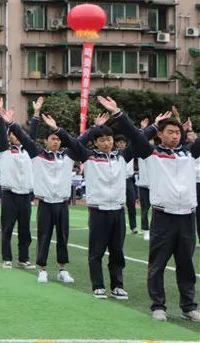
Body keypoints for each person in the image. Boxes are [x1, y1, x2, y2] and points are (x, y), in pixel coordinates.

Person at [97, 96, 200, 322]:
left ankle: (188, 306)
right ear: (159, 135)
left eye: (177, 132)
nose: (175, 135)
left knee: (186, 265)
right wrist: (117, 113)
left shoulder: (190, 153)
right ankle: (158, 306)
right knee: (158, 264)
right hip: (164, 217)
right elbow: (134, 134)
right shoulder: (151, 153)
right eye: (170, 132)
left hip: (186, 218)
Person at [46, 109, 158, 300]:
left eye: (109, 139)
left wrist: (155, 126)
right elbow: (73, 142)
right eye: (102, 140)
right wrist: (58, 129)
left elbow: (139, 138)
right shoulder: (88, 156)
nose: (106, 143)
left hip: (117, 211)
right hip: (98, 211)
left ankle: (117, 285)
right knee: (96, 251)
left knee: (117, 252)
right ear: (96, 142)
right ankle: (98, 285)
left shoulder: (122, 156)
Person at [5, 105, 75, 285]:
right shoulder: (37, 155)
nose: (56, 142)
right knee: (44, 236)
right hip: (45, 203)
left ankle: (62, 269)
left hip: (62, 203)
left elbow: (78, 141)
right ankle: (42, 269)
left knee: (63, 237)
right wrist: (12, 123)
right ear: (46, 141)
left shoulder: (67, 155)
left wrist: (59, 129)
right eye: (53, 138)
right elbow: (25, 138)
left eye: (59, 139)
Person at [0, 95, 39, 270]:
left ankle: (23, 258)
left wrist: (36, 113)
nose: (17, 137)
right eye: (12, 135)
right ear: (8, 137)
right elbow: (0, 132)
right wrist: (0, 113)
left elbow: (32, 135)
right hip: (9, 193)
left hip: (25, 194)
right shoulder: (4, 150)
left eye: (18, 134)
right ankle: (7, 258)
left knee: (25, 230)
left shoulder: (29, 151)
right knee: (7, 228)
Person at [116, 134, 139, 235]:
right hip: (118, 180)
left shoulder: (130, 153)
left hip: (129, 180)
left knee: (131, 203)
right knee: (118, 203)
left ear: (126, 144)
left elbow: (137, 143)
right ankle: (119, 224)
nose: (121, 144)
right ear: (116, 144)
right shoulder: (115, 154)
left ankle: (133, 226)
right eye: (119, 142)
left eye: (123, 142)